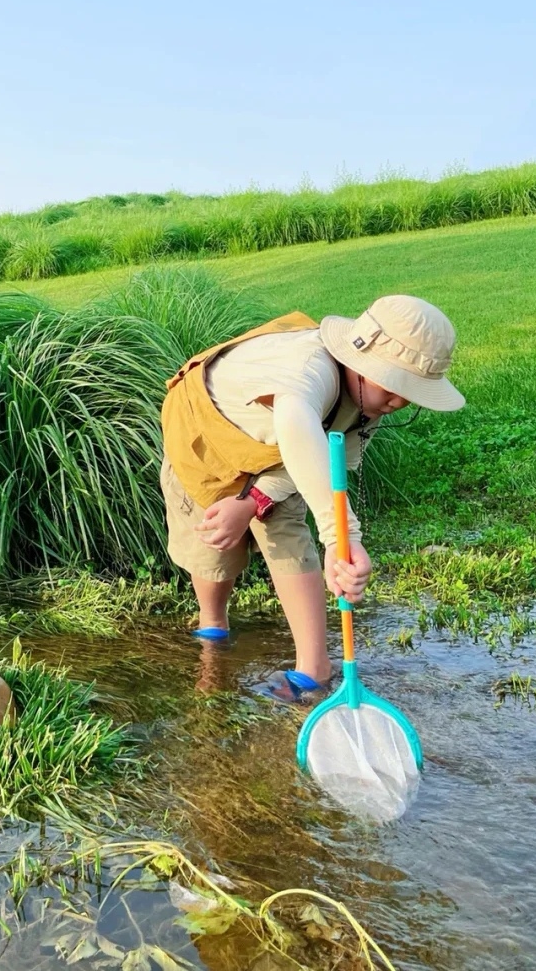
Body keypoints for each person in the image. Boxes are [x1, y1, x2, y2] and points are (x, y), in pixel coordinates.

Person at [160, 294, 464, 701]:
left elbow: (318, 464)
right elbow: (296, 424)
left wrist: (254, 501)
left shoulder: (367, 404)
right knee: (214, 544)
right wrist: (340, 536)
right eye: (393, 385)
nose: (400, 401)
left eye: (411, 392)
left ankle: (313, 667)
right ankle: (213, 624)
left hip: (278, 455)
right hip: (205, 437)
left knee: (287, 531)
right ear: (360, 362)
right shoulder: (307, 371)